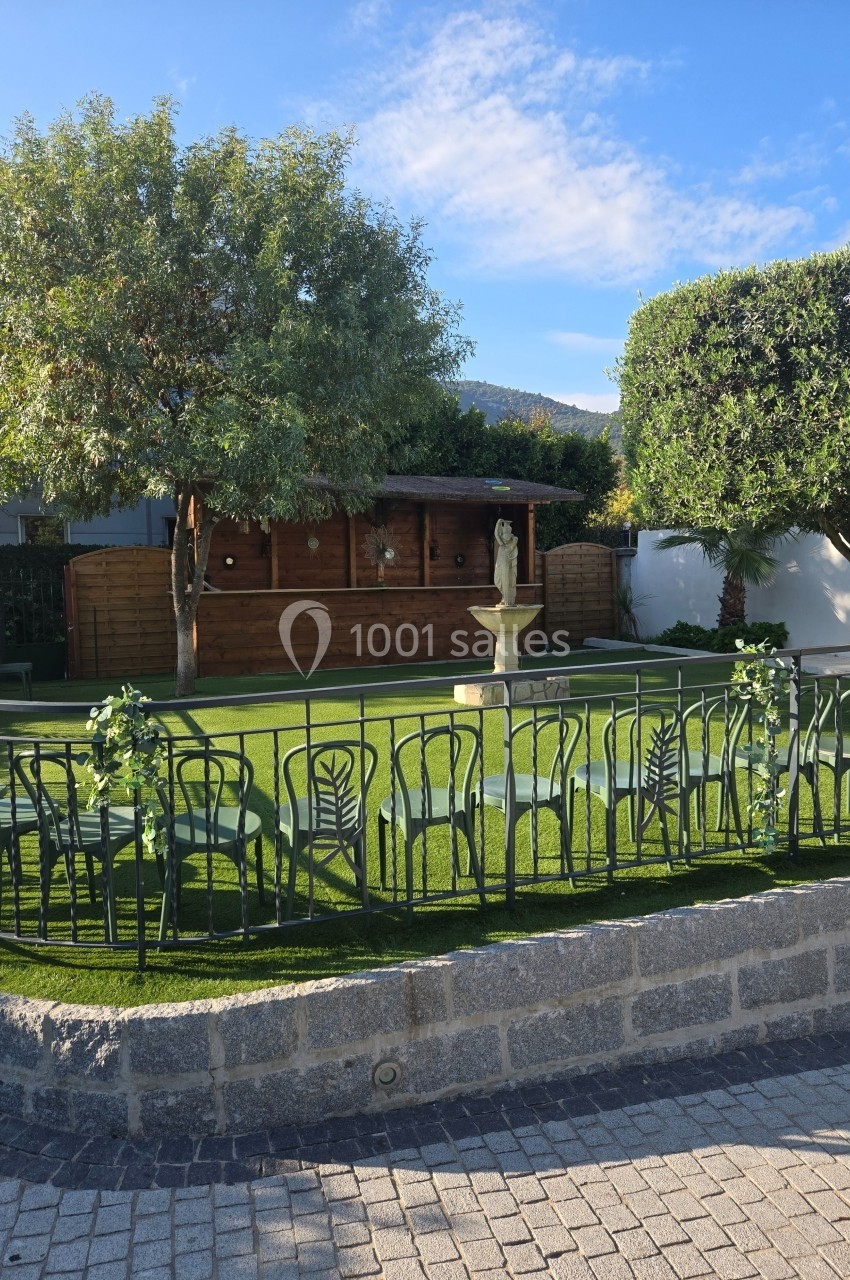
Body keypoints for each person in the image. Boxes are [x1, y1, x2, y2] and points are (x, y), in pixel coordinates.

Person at [493, 518, 518, 607]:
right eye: (504, 536)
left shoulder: (511, 545)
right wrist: (498, 524)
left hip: (506, 565)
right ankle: (504, 597)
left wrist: (514, 542)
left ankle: (507, 599)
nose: (504, 538)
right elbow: (497, 534)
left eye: (507, 537)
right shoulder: (502, 545)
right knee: (497, 580)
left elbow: (513, 556)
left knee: (506, 580)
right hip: (500, 564)